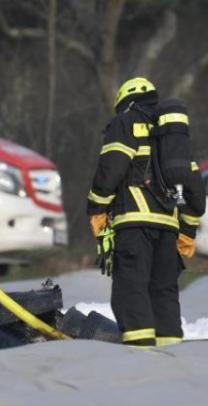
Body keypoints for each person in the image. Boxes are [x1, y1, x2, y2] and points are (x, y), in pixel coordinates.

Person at [87, 77, 205, 347]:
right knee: (163, 292)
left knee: (131, 288)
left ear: (125, 102)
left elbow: (111, 169)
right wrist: (187, 230)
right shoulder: (172, 135)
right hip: (169, 230)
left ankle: (140, 356)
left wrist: (96, 208)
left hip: (134, 224)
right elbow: (195, 195)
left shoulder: (126, 122)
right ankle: (169, 355)